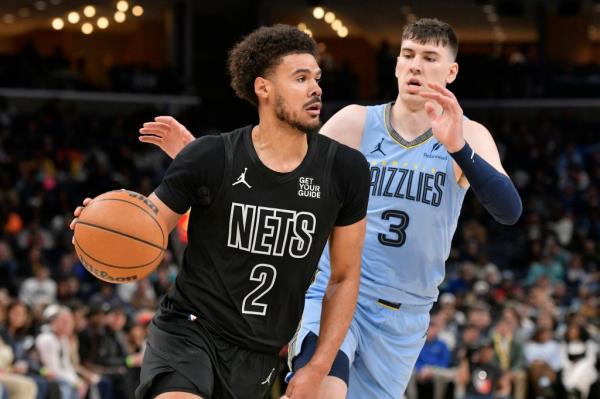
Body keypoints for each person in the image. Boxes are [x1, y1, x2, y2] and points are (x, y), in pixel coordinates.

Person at [139, 18, 522, 399]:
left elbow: (508, 211)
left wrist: (457, 146)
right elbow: (283, 176)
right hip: (336, 291)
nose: (415, 65)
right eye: (407, 54)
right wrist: (205, 165)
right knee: (322, 391)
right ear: (396, 65)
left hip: (405, 315)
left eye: (429, 57)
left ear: (451, 71)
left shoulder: (468, 135)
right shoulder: (356, 122)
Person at [72, 24, 370, 399]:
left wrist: (318, 367)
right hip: (190, 329)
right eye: (300, 78)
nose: (316, 88)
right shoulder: (211, 155)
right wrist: (106, 226)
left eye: (316, 77)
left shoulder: (346, 170)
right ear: (263, 87)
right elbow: (150, 226)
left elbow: (344, 277)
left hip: (259, 353)